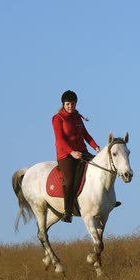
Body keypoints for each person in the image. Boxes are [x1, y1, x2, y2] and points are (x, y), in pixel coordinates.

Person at [52, 90, 100, 223]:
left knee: (99, 168)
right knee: (69, 182)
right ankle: (67, 211)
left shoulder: (77, 118)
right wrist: (72, 152)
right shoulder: (57, 118)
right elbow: (59, 140)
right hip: (66, 155)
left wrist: (96, 147)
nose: (70, 107)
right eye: (67, 104)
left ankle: (105, 200)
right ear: (63, 104)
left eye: (72, 104)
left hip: (82, 152)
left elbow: (86, 135)